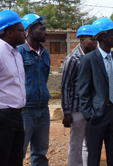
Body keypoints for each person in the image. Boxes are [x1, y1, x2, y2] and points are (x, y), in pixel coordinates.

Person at [78, 17, 113, 166]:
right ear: (105, 37)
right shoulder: (88, 60)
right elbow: (83, 91)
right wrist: (89, 114)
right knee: (94, 156)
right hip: (97, 114)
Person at [61, 24, 97, 166]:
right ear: (82, 40)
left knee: (90, 144)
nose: (95, 41)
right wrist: (66, 111)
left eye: (96, 39)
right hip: (77, 109)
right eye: (91, 38)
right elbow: (65, 86)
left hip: (92, 109)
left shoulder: (94, 58)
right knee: (76, 144)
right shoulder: (73, 59)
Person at [18, 13, 50, 166]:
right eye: (41, 28)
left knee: (41, 152)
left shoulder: (45, 54)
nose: (45, 31)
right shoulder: (19, 52)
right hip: (25, 110)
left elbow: (45, 79)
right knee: (18, 151)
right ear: (29, 31)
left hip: (43, 109)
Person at [0, 10, 27, 166]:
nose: (25, 33)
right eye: (21, 30)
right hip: (3, 116)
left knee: (15, 159)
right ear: (9, 32)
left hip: (17, 116)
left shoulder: (16, 53)